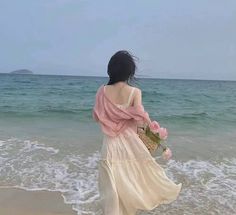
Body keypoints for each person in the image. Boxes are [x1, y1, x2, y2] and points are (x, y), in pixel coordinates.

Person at [92, 50, 182, 215]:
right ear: (129, 72)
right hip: (130, 145)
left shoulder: (101, 91)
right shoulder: (135, 92)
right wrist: (155, 140)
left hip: (110, 145)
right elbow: (140, 122)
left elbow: (97, 117)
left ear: (110, 69)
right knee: (131, 183)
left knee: (112, 190)